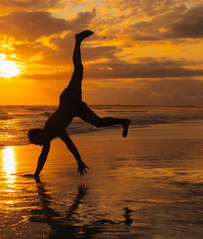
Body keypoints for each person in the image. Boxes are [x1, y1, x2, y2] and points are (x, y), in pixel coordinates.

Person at [25, 30, 130, 177]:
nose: (39, 145)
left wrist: (79, 161)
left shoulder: (53, 127)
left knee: (79, 69)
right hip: (76, 108)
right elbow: (43, 156)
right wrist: (36, 174)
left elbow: (69, 144)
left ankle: (78, 40)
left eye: (37, 142)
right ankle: (124, 121)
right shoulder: (48, 137)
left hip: (70, 98)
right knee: (98, 123)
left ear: (39, 134)